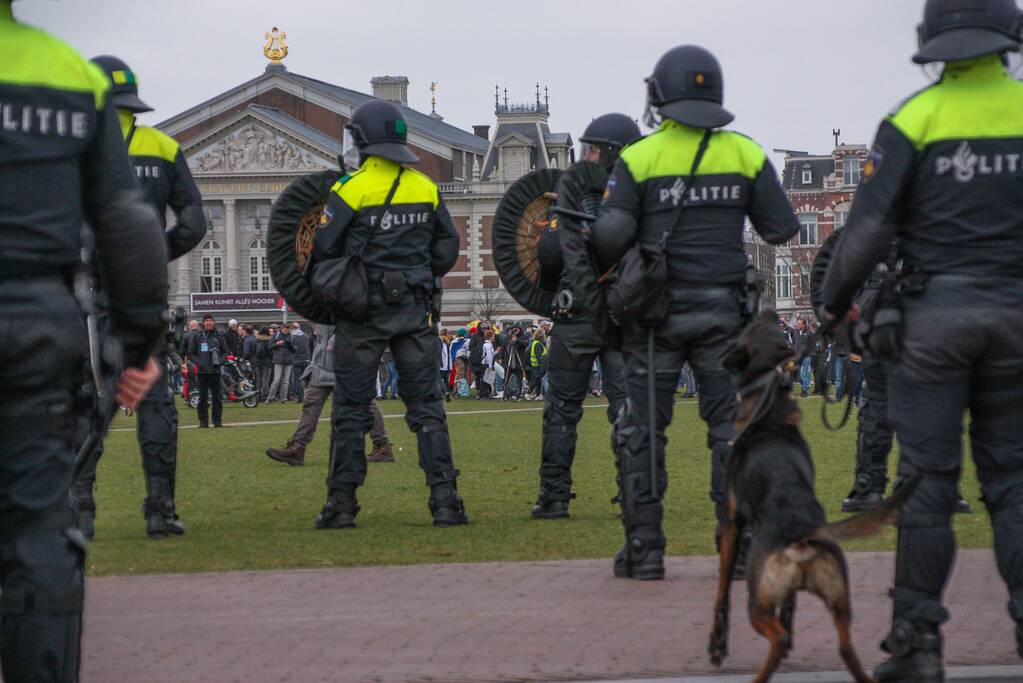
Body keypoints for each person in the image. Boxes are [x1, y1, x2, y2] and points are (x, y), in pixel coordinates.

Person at [821, 1, 1023, 678]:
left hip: (932, 321)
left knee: (926, 483)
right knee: (1015, 481)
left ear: (933, 42)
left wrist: (833, 305)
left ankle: (916, 642)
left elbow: (866, 234)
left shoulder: (913, 119)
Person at [0, 3, 167, 677]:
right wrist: (137, 343)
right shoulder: (70, 73)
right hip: (40, 320)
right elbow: (127, 222)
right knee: (40, 525)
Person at [589, 45, 799, 580]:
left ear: (659, 96)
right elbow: (781, 228)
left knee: (642, 431)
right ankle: (738, 546)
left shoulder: (639, 157)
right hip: (725, 315)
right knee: (731, 432)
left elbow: (610, 238)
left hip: (655, 316)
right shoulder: (746, 154)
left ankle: (645, 549)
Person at [308, 99, 467, 528]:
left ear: (362, 140)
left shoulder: (349, 189)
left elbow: (325, 248)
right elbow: (447, 247)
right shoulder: (425, 187)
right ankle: (446, 501)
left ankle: (341, 506)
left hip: (362, 315)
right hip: (414, 313)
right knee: (428, 408)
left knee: (351, 411)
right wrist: (417, 273)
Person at [73, 54, 206, 541]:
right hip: (146, 300)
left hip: (88, 298)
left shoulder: (73, 148)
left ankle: (80, 511)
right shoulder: (163, 146)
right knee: (155, 404)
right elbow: (194, 223)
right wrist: (151, 257)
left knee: (86, 404)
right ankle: (160, 511)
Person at [531, 113, 640, 519]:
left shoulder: (571, 197)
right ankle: (633, 494)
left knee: (561, 409)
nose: (587, 155)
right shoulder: (640, 199)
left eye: (594, 148)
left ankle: (554, 497)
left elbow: (546, 257)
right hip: (620, 319)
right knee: (627, 405)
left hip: (576, 316)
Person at [266, 325, 395, 466]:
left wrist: (337, 339)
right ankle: (297, 448)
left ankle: (383, 445)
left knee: (364, 404)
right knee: (311, 405)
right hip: (324, 362)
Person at [185, 314, 229, 428]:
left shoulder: (219, 335)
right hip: (202, 372)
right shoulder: (198, 336)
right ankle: (203, 422)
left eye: (211, 320)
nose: (209, 322)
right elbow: (190, 352)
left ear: (214, 322)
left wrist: (220, 361)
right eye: (207, 321)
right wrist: (199, 363)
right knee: (203, 398)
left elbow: (225, 351)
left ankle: (217, 421)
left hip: (215, 371)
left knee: (217, 398)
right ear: (203, 323)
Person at [267, 323, 293, 402]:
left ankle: (283, 398)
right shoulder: (276, 335)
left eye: (288, 330)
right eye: (285, 329)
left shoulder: (291, 336)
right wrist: (277, 344)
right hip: (278, 360)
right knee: (277, 380)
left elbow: (295, 349)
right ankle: (270, 397)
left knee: (286, 381)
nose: (286, 331)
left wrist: (290, 345)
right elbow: (269, 347)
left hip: (288, 361)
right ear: (282, 328)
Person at [289, 322, 311, 401]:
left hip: (296, 360)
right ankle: (309, 396)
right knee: (307, 379)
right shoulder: (305, 336)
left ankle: (300, 397)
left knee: (297, 379)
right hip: (306, 359)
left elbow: (290, 348)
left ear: (292, 328)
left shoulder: (291, 337)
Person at [792, 318, 812, 397]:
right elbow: (794, 342)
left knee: (805, 373)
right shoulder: (795, 332)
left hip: (805, 356)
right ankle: (805, 385)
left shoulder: (809, 333)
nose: (798, 325)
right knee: (797, 373)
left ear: (804, 325)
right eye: (798, 323)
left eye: (800, 323)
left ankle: (804, 391)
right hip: (796, 356)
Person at [527, 328, 548, 400]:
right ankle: (528, 393)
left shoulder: (535, 342)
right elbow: (539, 356)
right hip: (538, 365)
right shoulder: (538, 344)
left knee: (537, 380)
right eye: (544, 334)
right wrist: (541, 365)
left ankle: (537, 394)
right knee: (536, 379)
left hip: (534, 365)